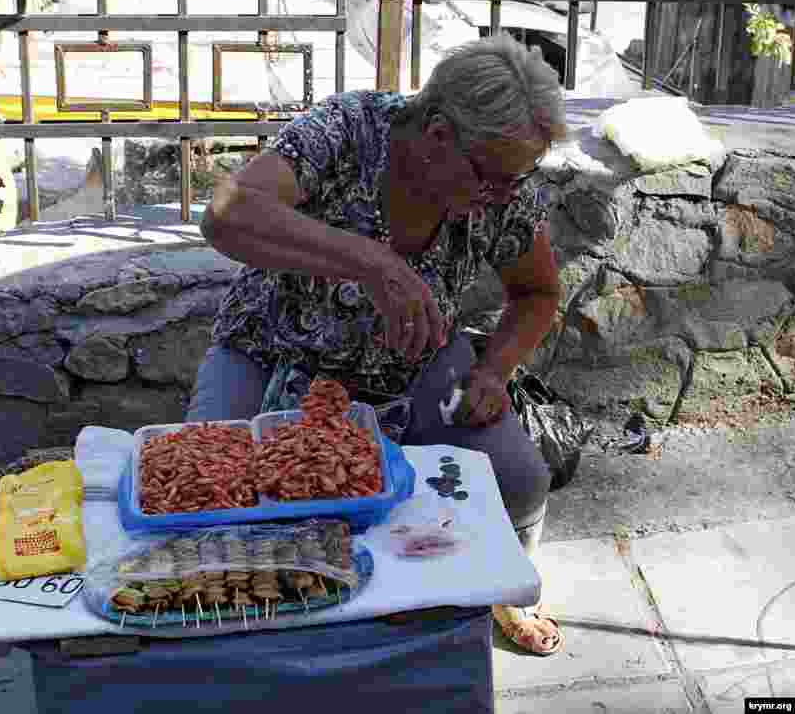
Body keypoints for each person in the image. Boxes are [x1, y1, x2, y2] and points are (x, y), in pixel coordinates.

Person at [191, 33, 567, 656]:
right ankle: (249, 634)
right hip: (272, 350)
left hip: (415, 367)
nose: (503, 195)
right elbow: (225, 215)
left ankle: (506, 588)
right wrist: (374, 263)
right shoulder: (345, 131)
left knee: (519, 478)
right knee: (218, 490)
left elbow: (537, 294)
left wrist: (496, 369)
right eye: (494, 178)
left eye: (516, 178)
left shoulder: (499, 187)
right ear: (440, 134)